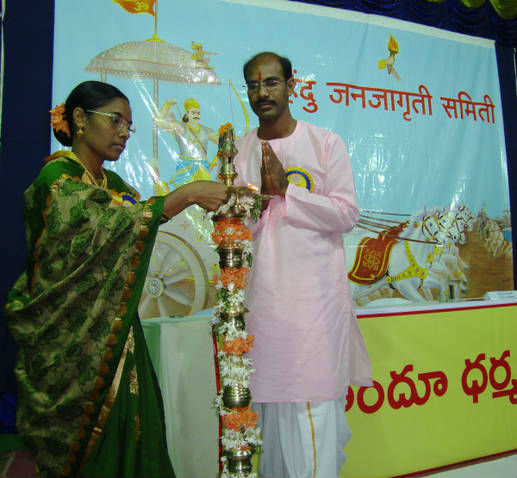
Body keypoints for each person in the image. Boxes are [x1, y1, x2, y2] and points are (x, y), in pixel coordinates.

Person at [4, 80, 237, 478]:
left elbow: (142, 219)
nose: (124, 133)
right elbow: (108, 225)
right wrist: (188, 194)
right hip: (76, 345)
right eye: (115, 121)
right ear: (79, 119)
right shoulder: (57, 181)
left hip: (115, 334)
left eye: (128, 125)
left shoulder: (113, 186)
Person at [233, 52, 373, 478]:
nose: (262, 93)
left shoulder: (324, 143)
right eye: (254, 86)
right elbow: (237, 227)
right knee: (271, 428)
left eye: (272, 83)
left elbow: (347, 213)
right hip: (263, 304)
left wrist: (287, 193)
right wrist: (251, 202)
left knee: (312, 419)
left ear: (291, 85)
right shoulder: (241, 149)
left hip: (313, 307)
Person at [154, 97, 218, 189]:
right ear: (187, 114)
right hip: (185, 169)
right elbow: (159, 121)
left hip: (202, 169)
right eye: (193, 113)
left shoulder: (206, 130)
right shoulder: (180, 127)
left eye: (198, 113)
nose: (196, 115)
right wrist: (167, 104)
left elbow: (220, 141)